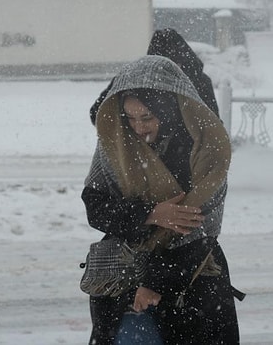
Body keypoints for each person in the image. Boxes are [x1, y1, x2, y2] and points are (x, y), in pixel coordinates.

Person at [81, 55, 244, 345]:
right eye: (130, 118)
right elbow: (95, 206)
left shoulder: (205, 148)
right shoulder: (118, 143)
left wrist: (153, 284)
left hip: (190, 280)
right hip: (124, 281)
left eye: (147, 117)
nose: (138, 127)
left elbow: (200, 230)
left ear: (169, 110)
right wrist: (150, 213)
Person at [89, 28, 219, 125]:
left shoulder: (199, 82)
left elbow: (213, 126)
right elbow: (99, 113)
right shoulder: (134, 79)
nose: (169, 73)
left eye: (173, 65)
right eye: (164, 67)